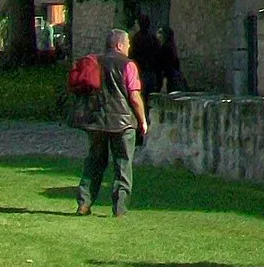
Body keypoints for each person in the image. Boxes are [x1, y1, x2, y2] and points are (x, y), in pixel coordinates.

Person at [76, 28, 149, 217]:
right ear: (119, 45)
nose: (129, 47)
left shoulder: (95, 62)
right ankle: (119, 208)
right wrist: (143, 120)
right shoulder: (128, 65)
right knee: (123, 164)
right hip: (122, 122)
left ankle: (84, 203)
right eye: (127, 44)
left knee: (94, 161)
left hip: (97, 120)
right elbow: (134, 96)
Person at [128, 14, 162, 88]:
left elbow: (132, 55)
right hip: (151, 72)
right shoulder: (153, 38)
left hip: (139, 71)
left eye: (136, 23)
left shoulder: (136, 39)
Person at [156, 27, 187, 94]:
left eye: (160, 32)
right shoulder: (171, 47)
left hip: (170, 80)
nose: (157, 34)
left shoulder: (166, 49)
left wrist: (164, 84)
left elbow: (166, 68)